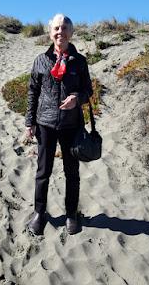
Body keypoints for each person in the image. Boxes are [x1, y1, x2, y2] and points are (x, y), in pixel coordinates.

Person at [25, 13, 93, 235]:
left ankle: (71, 214)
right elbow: (32, 92)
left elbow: (87, 90)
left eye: (64, 28)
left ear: (71, 33)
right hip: (45, 125)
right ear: (50, 32)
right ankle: (39, 212)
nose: (60, 32)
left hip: (71, 126)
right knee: (43, 172)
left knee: (72, 173)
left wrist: (77, 99)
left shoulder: (80, 61)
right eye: (56, 28)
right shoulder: (41, 60)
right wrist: (29, 123)